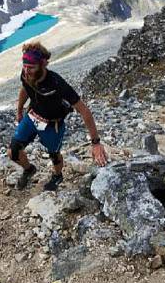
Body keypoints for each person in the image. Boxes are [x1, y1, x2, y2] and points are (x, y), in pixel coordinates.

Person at [7, 41, 108, 192]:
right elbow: (25, 89)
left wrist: (95, 143)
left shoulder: (57, 83)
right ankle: (29, 170)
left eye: (31, 67)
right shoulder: (26, 74)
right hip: (32, 116)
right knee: (13, 151)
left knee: (54, 154)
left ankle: (57, 175)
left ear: (43, 64)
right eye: (25, 66)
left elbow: (84, 110)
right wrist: (20, 110)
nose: (27, 71)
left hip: (52, 124)